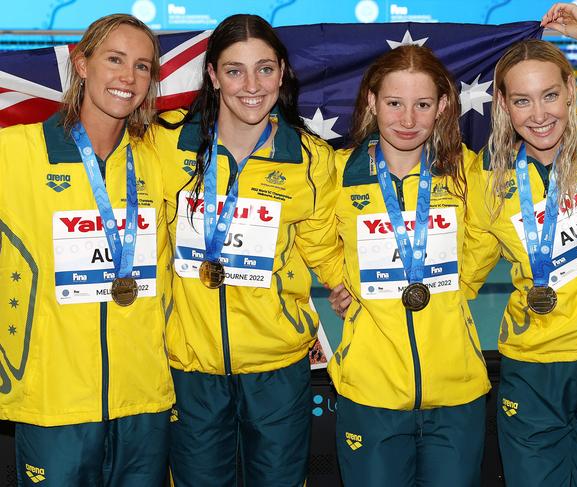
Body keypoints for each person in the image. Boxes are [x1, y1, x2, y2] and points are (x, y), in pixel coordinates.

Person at [462, 4, 577, 486]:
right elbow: (460, 275)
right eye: (522, 101)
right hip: (535, 367)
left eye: (550, 95)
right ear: (502, 105)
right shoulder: (487, 178)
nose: (539, 115)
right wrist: (351, 291)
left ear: (571, 90)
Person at [154, 14, 342, 487]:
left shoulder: (311, 158)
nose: (251, 85)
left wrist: (348, 286)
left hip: (278, 366)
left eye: (264, 68)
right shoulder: (164, 145)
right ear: (214, 76)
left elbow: (323, 246)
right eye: (234, 70)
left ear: (283, 72)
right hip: (189, 365)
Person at [0, 14, 174, 486]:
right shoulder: (16, 151)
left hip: (144, 399)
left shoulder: (159, 160)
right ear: (81, 63)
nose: (127, 78)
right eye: (114, 60)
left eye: (142, 67)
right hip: (54, 399)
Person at [327, 45, 491, 487]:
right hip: (369, 392)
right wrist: (344, 281)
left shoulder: (467, 174)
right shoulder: (337, 175)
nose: (407, 120)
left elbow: (485, 236)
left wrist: (458, 287)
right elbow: (312, 236)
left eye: (422, 105)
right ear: (372, 103)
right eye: (394, 103)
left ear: (442, 107)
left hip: (457, 393)